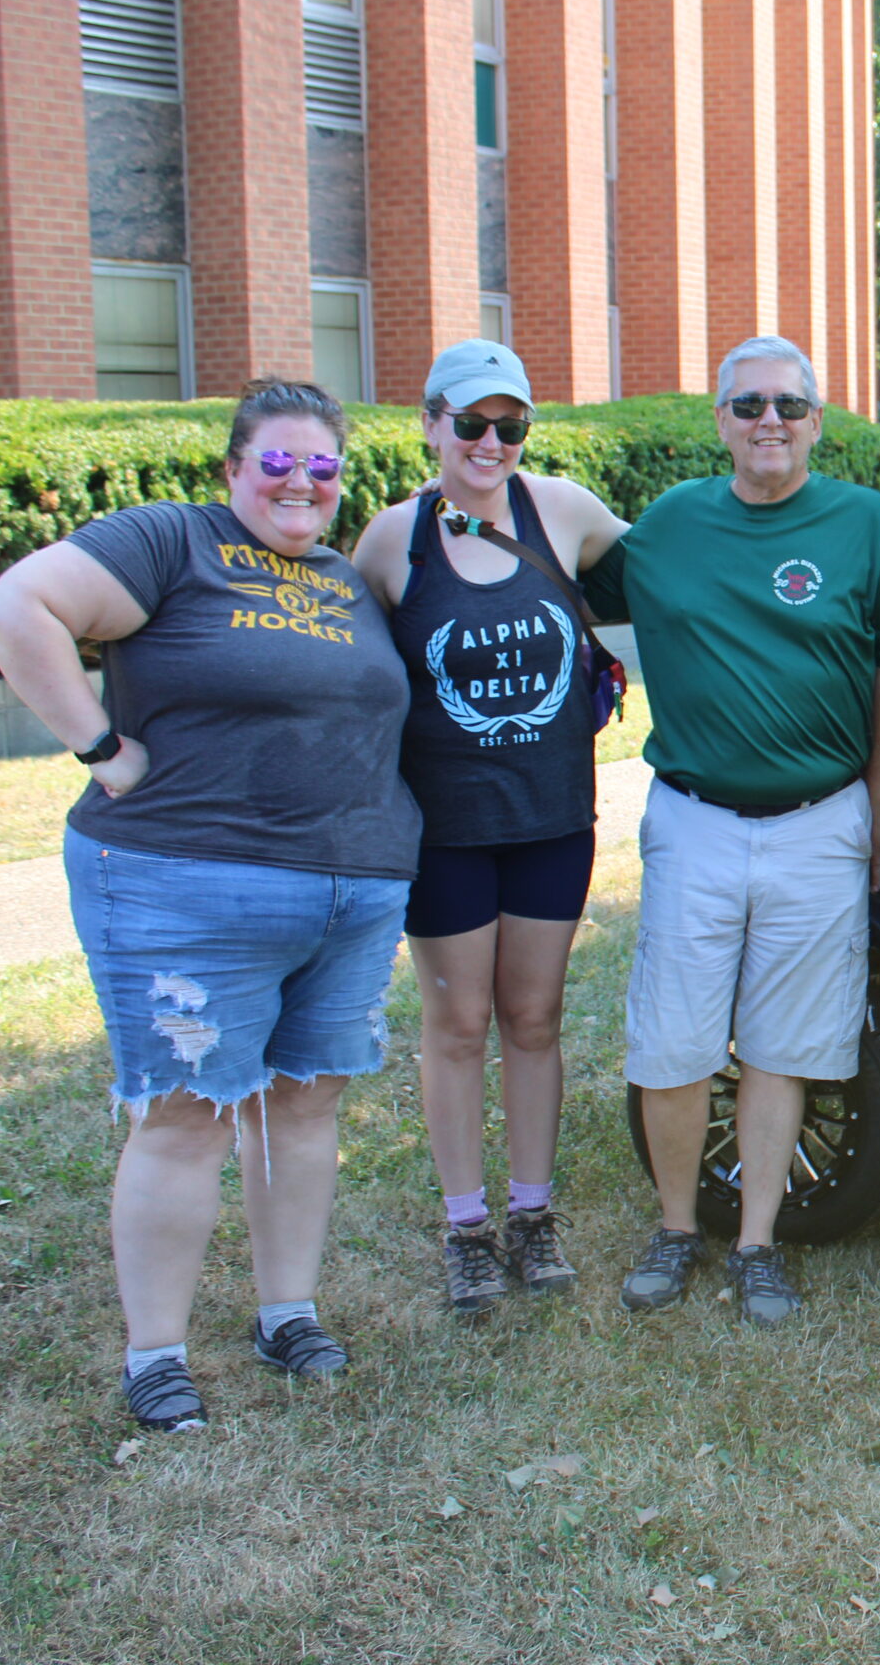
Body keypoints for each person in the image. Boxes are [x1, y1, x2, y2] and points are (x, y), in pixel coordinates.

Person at [0, 380, 419, 1431]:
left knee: (306, 1103)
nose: (299, 482)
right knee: (186, 1115)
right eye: (276, 461)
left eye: (321, 466)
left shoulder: (345, 580)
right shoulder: (172, 544)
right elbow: (19, 607)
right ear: (233, 469)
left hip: (350, 889)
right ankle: (157, 1353)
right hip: (183, 882)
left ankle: (287, 1312)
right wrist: (101, 750)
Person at [578, 337, 880, 1327]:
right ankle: (678, 1228)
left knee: (780, 1048)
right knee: (675, 1046)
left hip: (822, 822)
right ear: (719, 421)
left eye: (788, 405)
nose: (768, 422)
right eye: (747, 406)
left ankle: (759, 1242)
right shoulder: (671, 525)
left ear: (818, 419)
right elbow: (561, 565)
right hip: (695, 823)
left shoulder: (863, 525)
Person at [353, 341, 629, 1316]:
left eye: (509, 426)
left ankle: (533, 1214)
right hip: (446, 829)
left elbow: (679, 585)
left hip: (552, 818)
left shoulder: (564, 513)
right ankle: (465, 1226)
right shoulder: (394, 542)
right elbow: (346, 678)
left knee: (537, 1017)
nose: (489, 442)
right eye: (469, 423)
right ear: (429, 423)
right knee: (459, 1022)